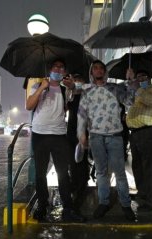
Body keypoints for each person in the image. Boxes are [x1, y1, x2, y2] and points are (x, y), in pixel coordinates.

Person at [26, 59, 86, 222]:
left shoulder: (65, 89)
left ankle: (68, 208)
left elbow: (71, 100)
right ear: (49, 69)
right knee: (40, 174)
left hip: (59, 135)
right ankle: (42, 205)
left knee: (63, 173)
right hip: (40, 134)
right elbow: (29, 106)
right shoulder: (38, 86)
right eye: (55, 67)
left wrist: (72, 86)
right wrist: (42, 89)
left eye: (61, 68)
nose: (58, 70)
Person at [77, 60, 136, 221]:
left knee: (120, 173)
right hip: (95, 136)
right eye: (95, 68)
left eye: (101, 68)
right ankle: (103, 202)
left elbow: (130, 101)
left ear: (104, 71)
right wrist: (81, 133)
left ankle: (125, 204)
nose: (98, 70)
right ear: (91, 72)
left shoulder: (115, 88)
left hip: (115, 136)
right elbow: (82, 113)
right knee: (101, 172)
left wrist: (131, 82)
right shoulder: (87, 90)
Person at [125, 68, 152, 212]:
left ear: (149, 78)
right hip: (135, 133)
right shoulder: (136, 93)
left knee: (150, 166)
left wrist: (137, 90)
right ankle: (143, 194)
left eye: (144, 76)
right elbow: (129, 106)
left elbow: (149, 102)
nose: (141, 79)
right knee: (138, 166)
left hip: (149, 131)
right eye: (138, 77)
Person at [66, 74, 90, 211]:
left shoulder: (87, 96)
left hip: (83, 132)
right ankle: (75, 185)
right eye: (75, 81)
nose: (77, 83)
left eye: (80, 81)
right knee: (72, 161)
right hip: (70, 132)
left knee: (81, 161)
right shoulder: (70, 95)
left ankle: (82, 186)